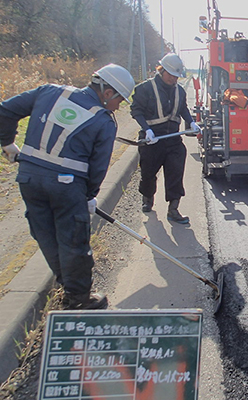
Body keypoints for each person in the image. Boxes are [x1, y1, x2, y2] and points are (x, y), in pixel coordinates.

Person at [0, 63, 135, 309]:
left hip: (29, 180)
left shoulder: (48, 91)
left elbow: (5, 111)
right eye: (120, 100)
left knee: (46, 235)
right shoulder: (104, 121)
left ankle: (67, 285)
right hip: (67, 187)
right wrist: (89, 195)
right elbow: (98, 168)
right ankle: (80, 299)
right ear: (107, 93)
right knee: (74, 241)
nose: (119, 106)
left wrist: (7, 143)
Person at [130, 53, 199, 223]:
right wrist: (147, 130)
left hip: (173, 141)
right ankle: (147, 198)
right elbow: (136, 110)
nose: (173, 79)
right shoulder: (144, 89)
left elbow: (183, 109)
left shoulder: (179, 91)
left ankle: (173, 210)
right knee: (148, 174)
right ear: (161, 70)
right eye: (171, 75)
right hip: (152, 140)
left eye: (176, 76)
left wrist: (191, 122)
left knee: (175, 174)